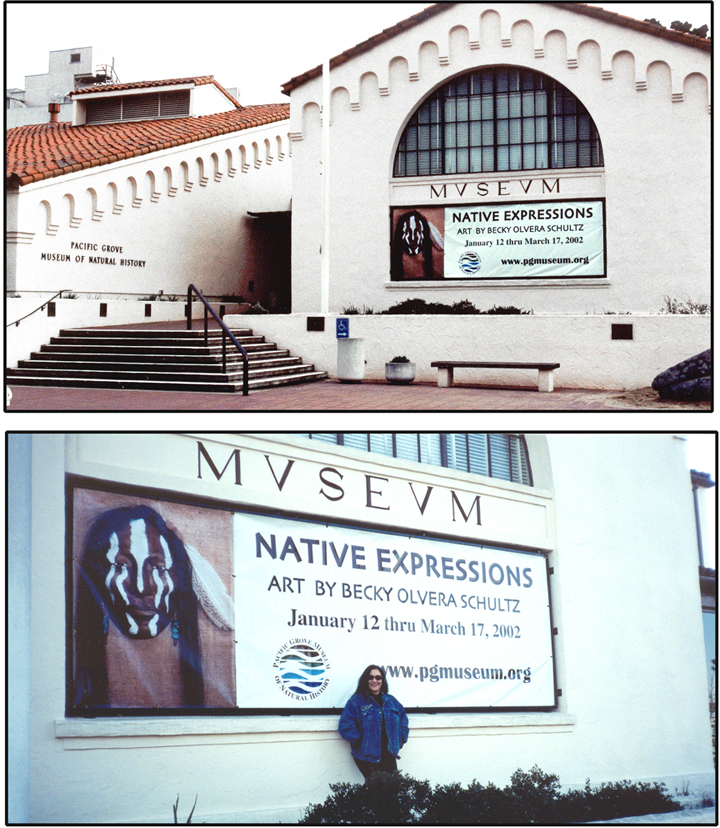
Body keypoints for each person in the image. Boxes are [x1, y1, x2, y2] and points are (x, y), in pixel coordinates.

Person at [338, 664, 409, 780]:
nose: (374, 680)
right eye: (370, 677)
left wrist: (400, 740)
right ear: (366, 680)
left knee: (392, 789)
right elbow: (345, 726)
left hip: (389, 755)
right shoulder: (356, 701)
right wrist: (360, 741)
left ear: (382, 680)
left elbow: (403, 721)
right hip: (367, 757)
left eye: (378, 677)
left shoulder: (391, 701)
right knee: (376, 790)